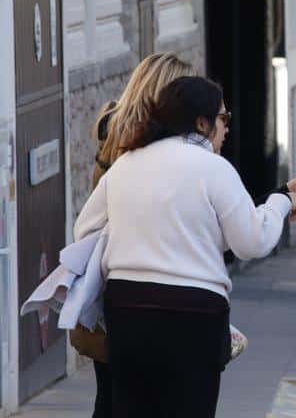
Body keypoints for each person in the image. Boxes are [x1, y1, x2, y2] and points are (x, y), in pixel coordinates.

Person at [75, 76, 296, 417]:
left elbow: (85, 229)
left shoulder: (126, 164)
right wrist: (280, 202)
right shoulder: (214, 168)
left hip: (127, 310)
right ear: (201, 122)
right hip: (193, 314)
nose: (226, 128)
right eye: (223, 118)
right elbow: (252, 241)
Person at [75, 52, 198, 418]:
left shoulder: (111, 123)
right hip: (151, 275)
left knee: (111, 392)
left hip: (111, 273)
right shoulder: (157, 143)